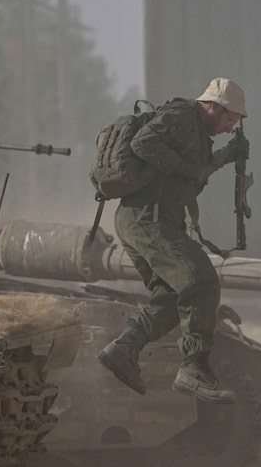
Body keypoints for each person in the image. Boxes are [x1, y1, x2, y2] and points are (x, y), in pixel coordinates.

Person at [96, 77, 250, 404]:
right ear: (213, 107)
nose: (228, 127)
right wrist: (185, 169)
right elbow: (143, 144)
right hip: (148, 218)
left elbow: (197, 172)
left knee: (171, 297)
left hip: (147, 220)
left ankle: (123, 350)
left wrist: (226, 156)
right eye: (229, 119)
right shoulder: (183, 116)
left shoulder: (199, 132)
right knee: (202, 281)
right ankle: (194, 367)